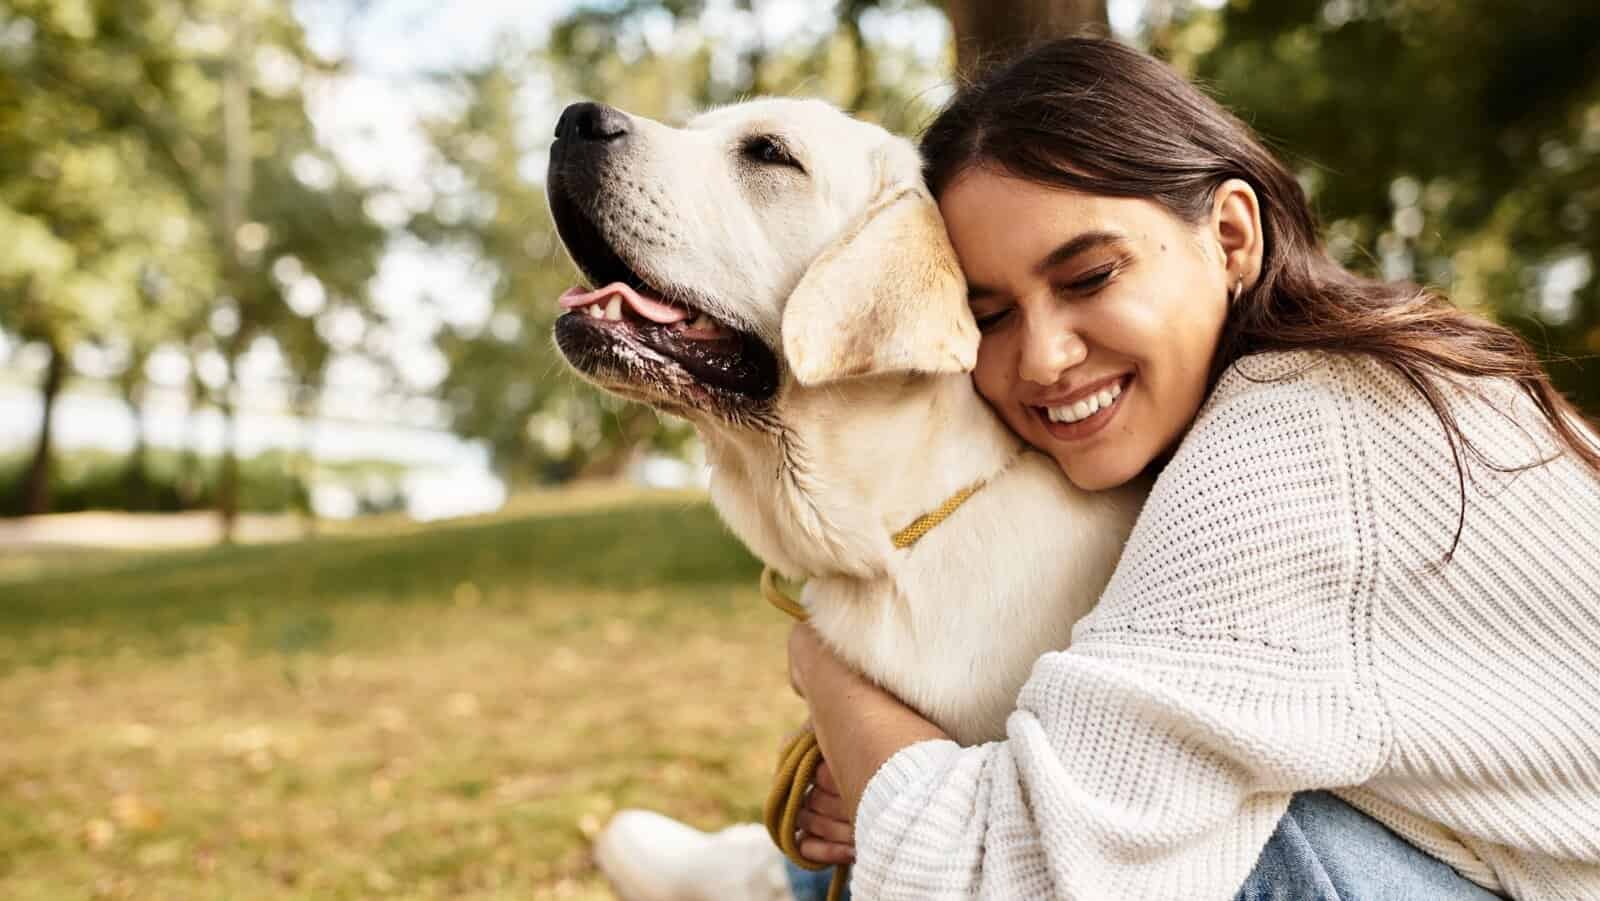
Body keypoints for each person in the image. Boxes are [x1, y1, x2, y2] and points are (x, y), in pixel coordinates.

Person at [595, 37, 1600, 901]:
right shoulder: (1327, 384)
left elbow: (1007, 878)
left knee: (1207, 845)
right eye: (986, 312)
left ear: (1232, 235)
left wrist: (831, 680)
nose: (1041, 358)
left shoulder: (1296, 445)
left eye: (1090, 276)